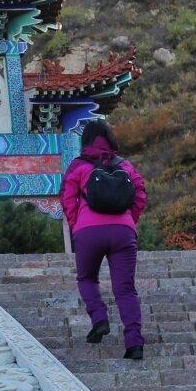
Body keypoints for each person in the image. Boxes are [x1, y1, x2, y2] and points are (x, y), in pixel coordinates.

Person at [61, 119, 149, 360]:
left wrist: (76, 224)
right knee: (126, 289)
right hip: (123, 231)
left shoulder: (78, 166)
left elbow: (67, 197)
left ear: (85, 141)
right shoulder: (124, 165)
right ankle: (134, 343)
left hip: (89, 231)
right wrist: (129, 220)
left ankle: (99, 318)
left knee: (87, 278)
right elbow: (140, 193)